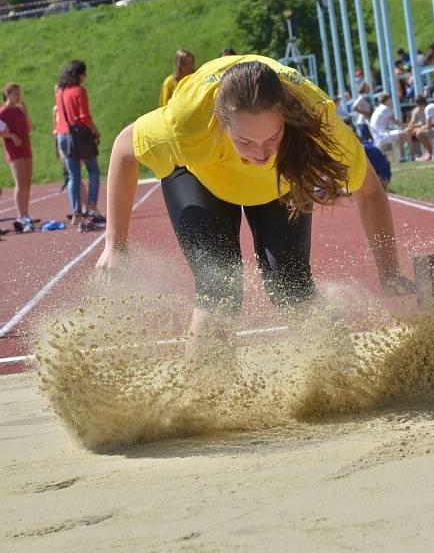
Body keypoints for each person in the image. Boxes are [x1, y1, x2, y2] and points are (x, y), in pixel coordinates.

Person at [97, 56, 413, 364]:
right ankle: (206, 397)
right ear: (221, 123)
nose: (260, 153)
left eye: (272, 137)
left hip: (282, 178)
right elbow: (124, 149)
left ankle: (342, 377)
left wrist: (389, 272)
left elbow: (370, 192)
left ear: (286, 119)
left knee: (291, 283)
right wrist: (115, 243)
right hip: (198, 174)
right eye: (245, 141)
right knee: (219, 289)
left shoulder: (317, 122)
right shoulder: (188, 123)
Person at [55, 60, 103, 227]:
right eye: (84, 73)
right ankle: (91, 207)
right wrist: (96, 131)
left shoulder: (60, 92)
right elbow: (84, 117)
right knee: (93, 170)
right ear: (79, 75)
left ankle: (76, 213)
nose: (85, 76)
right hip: (79, 136)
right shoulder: (79, 91)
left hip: (63, 135)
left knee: (73, 175)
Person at [0, 83, 33, 231]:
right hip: (14, 151)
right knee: (20, 182)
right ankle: (21, 215)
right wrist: (11, 135)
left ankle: (26, 214)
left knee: (27, 182)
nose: (18, 97)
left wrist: (26, 112)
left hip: (26, 148)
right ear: (8, 94)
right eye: (15, 94)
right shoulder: (3, 112)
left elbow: (29, 128)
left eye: (19, 94)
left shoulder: (19, 110)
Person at [369, 93, 414, 161]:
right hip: (381, 136)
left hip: (378, 135)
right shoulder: (386, 108)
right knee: (405, 134)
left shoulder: (380, 108)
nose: (391, 101)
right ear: (387, 100)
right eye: (390, 99)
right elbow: (395, 121)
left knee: (402, 135)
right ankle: (414, 155)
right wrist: (407, 125)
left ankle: (402, 157)